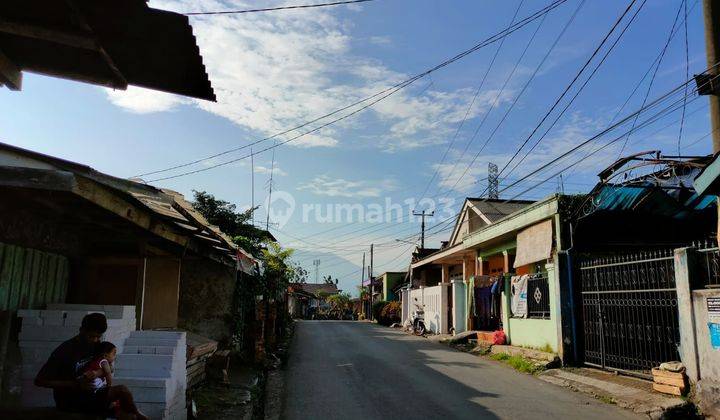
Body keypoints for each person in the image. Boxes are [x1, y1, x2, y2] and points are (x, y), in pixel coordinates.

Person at [34, 313, 146, 420]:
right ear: (81, 330)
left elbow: (110, 368)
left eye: (98, 337)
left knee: (123, 393)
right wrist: (75, 384)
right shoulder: (64, 351)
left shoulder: (96, 346)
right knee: (121, 415)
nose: (95, 340)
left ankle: (138, 414)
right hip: (70, 400)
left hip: (92, 394)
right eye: (91, 336)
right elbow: (40, 381)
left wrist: (98, 373)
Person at [82, 341, 148, 420]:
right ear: (105, 355)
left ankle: (129, 412)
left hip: (95, 390)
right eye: (113, 354)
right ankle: (136, 412)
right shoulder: (104, 361)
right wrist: (109, 386)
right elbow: (108, 374)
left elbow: (110, 370)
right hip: (96, 390)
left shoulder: (98, 361)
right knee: (122, 390)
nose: (115, 356)